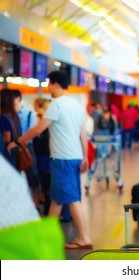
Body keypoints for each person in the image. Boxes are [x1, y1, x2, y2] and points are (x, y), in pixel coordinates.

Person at [7, 70, 92, 249]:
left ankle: (84, 237)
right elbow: (83, 134)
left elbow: (39, 129)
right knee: (57, 199)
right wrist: (84, 157)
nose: (47, 88)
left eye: (48, 84)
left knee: (71, 198)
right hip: (74, 157)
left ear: (55, 84)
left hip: (63, 159)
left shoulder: (57, 104)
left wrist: (17, 142)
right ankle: (44, 237)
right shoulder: (76, 105)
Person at [14, 89, 41, 209]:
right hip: (14, 149)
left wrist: (21, 142)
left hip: (27, 149)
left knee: (33, 176)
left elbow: (33, 132)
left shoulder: (29, 115)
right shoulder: (8, 116)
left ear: (18, 99)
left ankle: (35, 203)